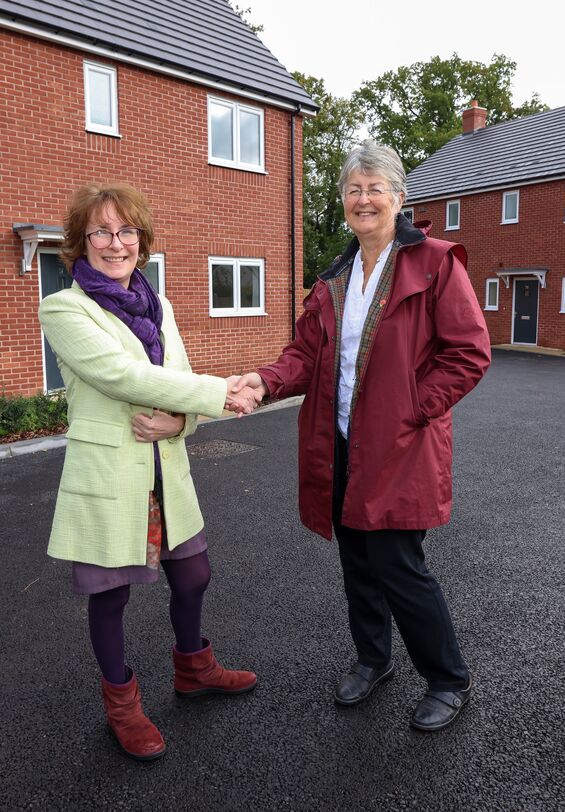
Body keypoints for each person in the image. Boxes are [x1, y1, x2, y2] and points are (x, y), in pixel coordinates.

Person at [233, 140, 491, 731]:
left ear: (400, 198)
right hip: (341, 441)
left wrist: (413, 406)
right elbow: (303, 354)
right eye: (354, 189)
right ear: (344, 202)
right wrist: (262, 382)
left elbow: (469, 353)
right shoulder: (336, 277)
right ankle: (374, 660)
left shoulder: (435, 263)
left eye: (376, 188)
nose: (364, 198)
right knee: (357, 562)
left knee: (399, 565)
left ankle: (448, 678)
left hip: (401, 443)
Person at [39, 183, 261, 761]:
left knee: (193, 575)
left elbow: (175, 384)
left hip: (167, 467)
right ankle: (123, 705)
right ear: (79, 243)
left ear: (142, 239)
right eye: (102, 232)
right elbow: (120, 377)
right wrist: (221, 392)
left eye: (127, 231)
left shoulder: (158, 305)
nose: (117, 243)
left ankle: (194, 669)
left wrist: (181, 422)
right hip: (110, 471)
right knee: (110, 596)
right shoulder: (64, 308)